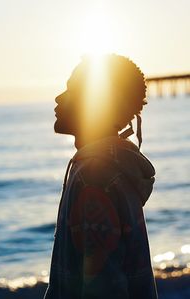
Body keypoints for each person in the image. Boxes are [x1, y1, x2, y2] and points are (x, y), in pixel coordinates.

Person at [44, 54, 158, 299]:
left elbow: (104, 288)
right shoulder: (111, 166)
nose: (58, 98)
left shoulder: (94, 177)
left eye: (71, 90)